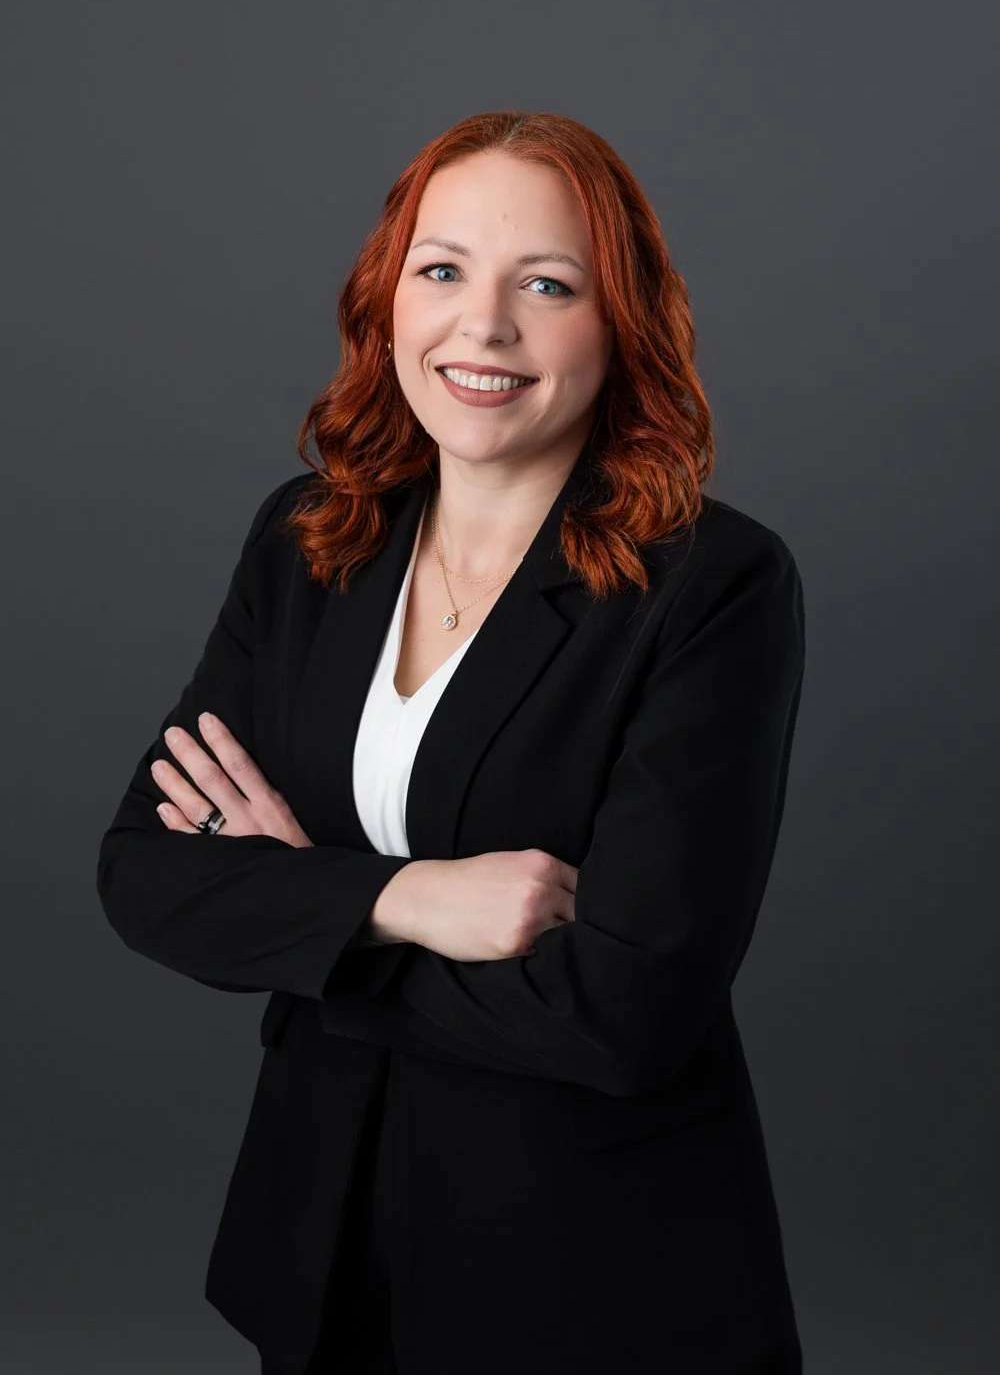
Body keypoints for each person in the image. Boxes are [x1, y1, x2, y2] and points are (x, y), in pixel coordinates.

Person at [96, 110, 807, 1374]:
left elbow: (621, 1011)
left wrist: (302, 904)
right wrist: (414, 898)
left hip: (585, 1272)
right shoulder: (310, 537)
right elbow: (146, 875)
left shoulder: (712, 586)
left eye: (547, 284)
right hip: (321, 1248)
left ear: (620, 324)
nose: (483, 328)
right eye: (443, 271)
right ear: (388, 302)